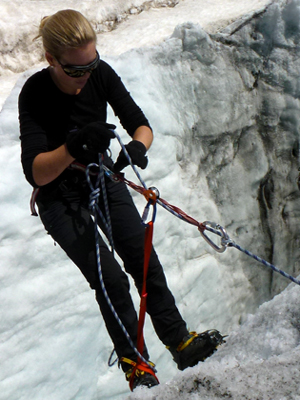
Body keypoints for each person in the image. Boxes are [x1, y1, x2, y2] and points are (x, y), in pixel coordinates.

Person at [18, 9, 224, 391]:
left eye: (90, 65)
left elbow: (140, 124)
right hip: (60, 199)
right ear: (51, 60)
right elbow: (36, 172)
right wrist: (73, 147)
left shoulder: (100, 74)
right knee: (110, 279)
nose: (85, 76)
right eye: (75, 70)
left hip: (103, 179)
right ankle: (136, 365)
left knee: (143, 261)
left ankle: (180, 342)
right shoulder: (35, 93)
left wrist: (136, 148)